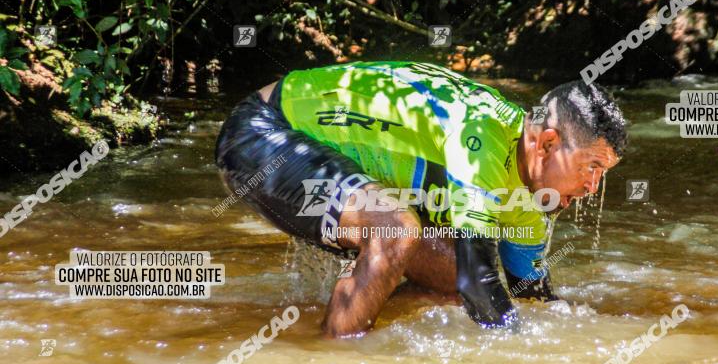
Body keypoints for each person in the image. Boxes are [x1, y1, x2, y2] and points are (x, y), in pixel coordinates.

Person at [215, 61, 626, 337]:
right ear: (549, 144)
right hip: (262, 134)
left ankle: (353, 324)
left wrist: (582, 338)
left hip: (305, 153)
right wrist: (527, 356)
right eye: (591, 167)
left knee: (449, 274)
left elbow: (527, 295)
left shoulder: (534, 200)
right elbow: (478, 282)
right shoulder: (481, 136)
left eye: (602, 176)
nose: (593, 187)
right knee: (397, 230)